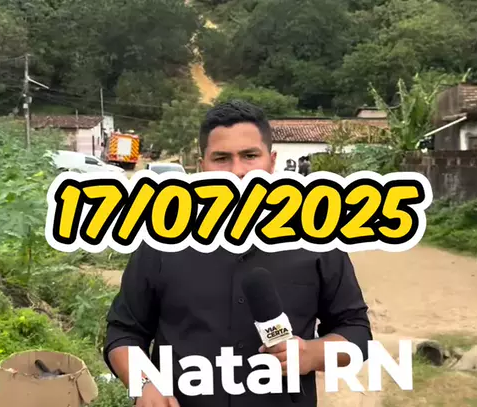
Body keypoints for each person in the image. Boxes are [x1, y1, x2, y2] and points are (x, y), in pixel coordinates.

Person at [103, 100, 373, 407]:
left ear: (271, 161)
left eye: (250, 156)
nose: (237, 171)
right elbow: (124, 332)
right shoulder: (162, 240)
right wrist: (144, 384)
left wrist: (312, 354)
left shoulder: (316, 238)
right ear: (201, 165)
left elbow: (356, 330)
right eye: (221, 158)